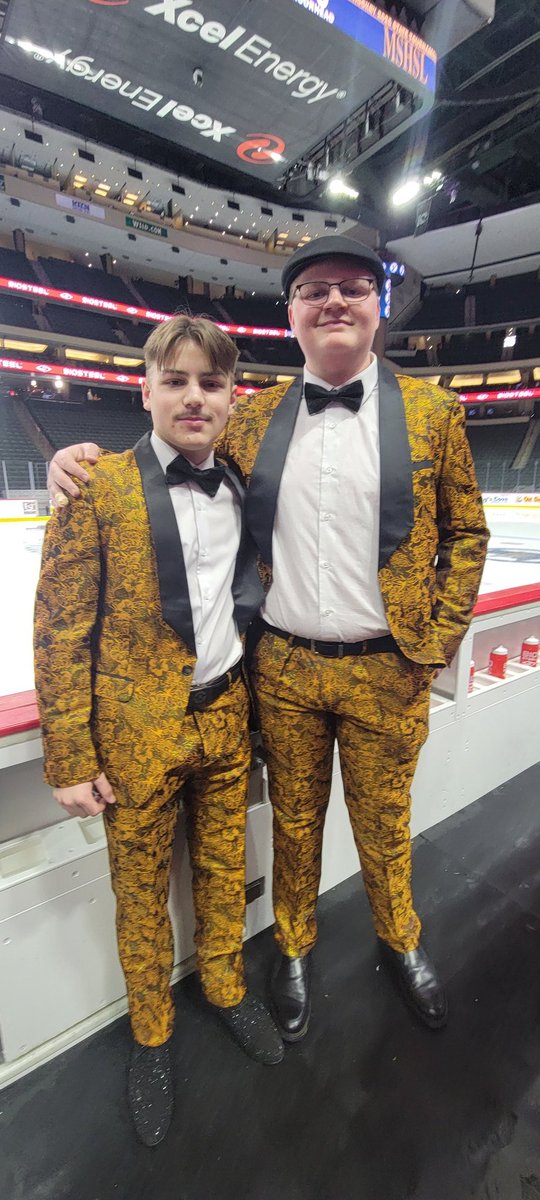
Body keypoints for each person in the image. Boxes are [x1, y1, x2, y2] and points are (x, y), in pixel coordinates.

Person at [47, 235, 489, 1048]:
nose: (334, 302)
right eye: (314, 289)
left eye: (353, 287)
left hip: (387, 670)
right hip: (279, 668)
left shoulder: (435, 413)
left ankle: (400, 938)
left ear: (376, 305)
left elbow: (466, 533)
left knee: (385, 824)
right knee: (292, 822)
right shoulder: (249, 417)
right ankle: (291, 946)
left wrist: (435, 640)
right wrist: (76, 462)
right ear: (291, 314)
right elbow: (171, 446)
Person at [35, 315, 283, 1150]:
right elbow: (61, 631)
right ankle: (150, 1036)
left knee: (222, 870)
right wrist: (68, 756)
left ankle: (224, 985)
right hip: (132, 742)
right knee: (140, 900)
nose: (193, 396)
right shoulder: (94, 488)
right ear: (144, 389)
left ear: (229, 399)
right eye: (174, 380)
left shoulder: (248, 478)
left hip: (224, 721)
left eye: (210, 383)